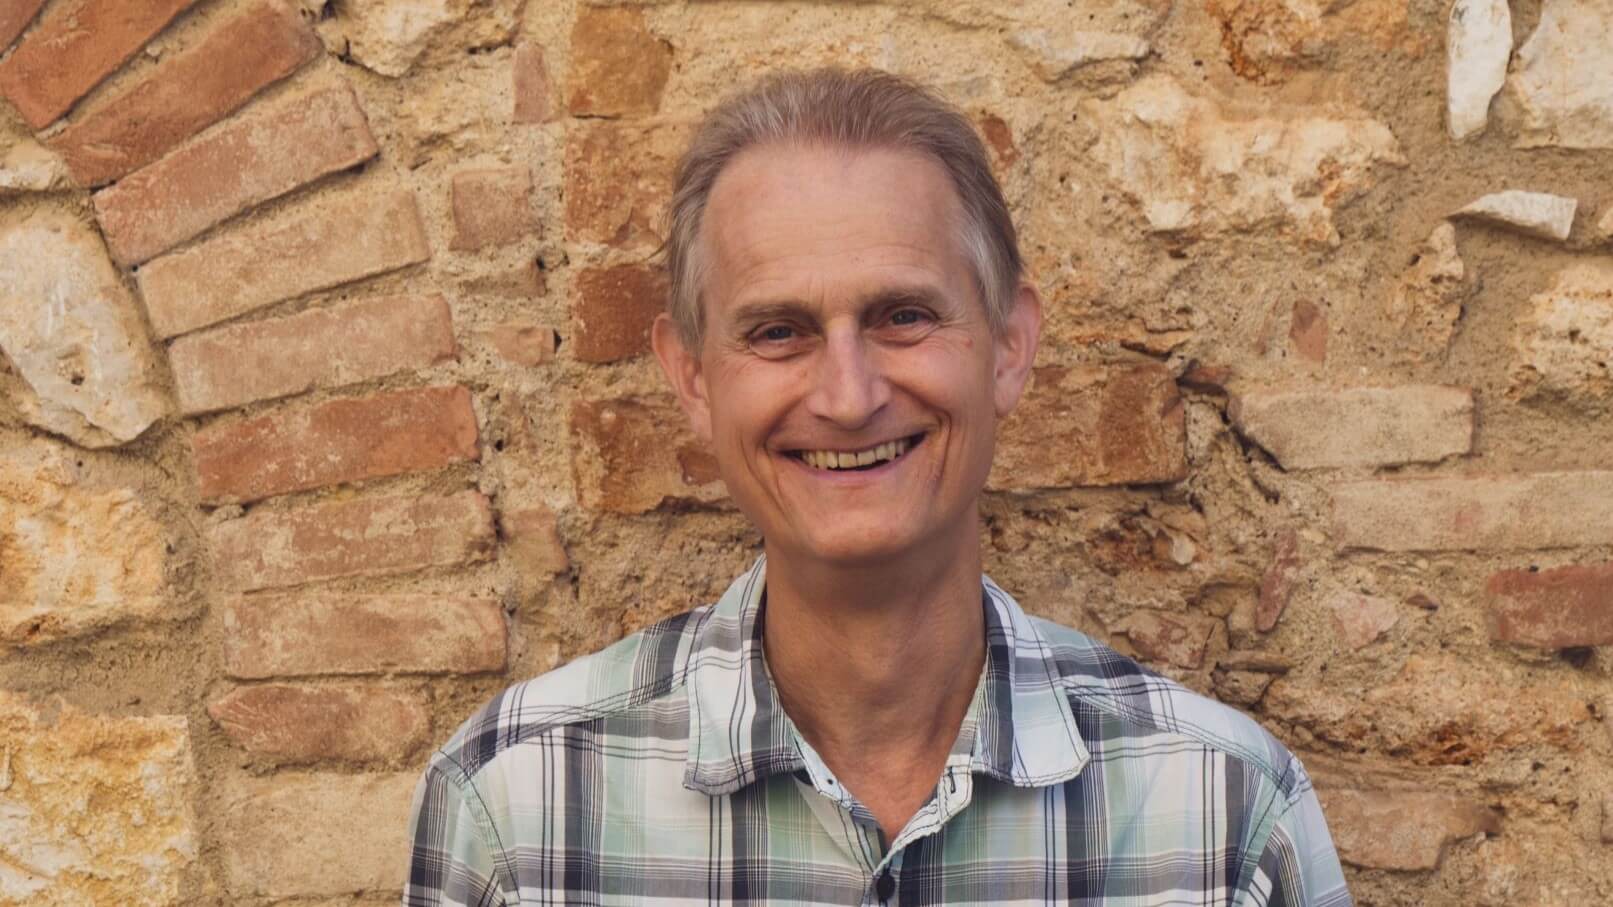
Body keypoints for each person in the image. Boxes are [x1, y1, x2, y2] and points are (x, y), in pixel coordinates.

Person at [403, 68, 1352, 907]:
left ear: (1011, 347)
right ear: (691, 377)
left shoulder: (1222, 814)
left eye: (903, 315)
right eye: (777, 331)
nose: (848, 396)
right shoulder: (520, 808)